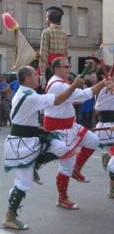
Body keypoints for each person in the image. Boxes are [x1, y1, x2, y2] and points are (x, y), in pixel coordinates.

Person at [2, 65, 84, 230]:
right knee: (23, 183)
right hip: (21, 143)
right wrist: (74, 85)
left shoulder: (27, 93)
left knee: (61, 147)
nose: (38, 77)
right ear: (27, 78)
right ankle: (9, 217)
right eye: (35, 74)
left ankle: (35, 165)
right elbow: (58, 100)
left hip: (30, 138)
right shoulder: (29, 96)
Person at [43, 57, 110, 209]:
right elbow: (82, 96)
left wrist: (78, 85)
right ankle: (62, 198)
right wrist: (103, 83)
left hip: (70, 125)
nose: (68, 68)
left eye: (68, 65)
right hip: (58, 130)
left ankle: (76, 169)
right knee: (65, 165)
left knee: (93, 140)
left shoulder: (62, 82)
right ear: (56, 69)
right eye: (66, 66)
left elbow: (78, 97)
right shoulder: (58, 85)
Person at [39, 6, 68, 88]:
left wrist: (42, 73)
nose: (45, 20)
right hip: (61, 66)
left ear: (49, 18)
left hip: (50, 67)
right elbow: (66, 54)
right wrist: (66, 68)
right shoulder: (64, 34)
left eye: (46, 17)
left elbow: (43, 54)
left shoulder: (46, 32)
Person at [95, 83, 114, 198]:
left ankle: (112, 190)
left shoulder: (103, 90)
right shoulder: (105, 90)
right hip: (109, 127)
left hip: (103, 127)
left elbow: (96, 109)